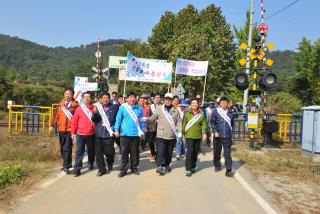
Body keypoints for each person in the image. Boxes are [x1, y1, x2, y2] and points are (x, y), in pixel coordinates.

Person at [146, 93, 182, 175]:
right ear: (164, 100)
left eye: (169, 99)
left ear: (172, 101)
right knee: (161, 151)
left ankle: (167, 165)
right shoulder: (159, 109)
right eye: (166, 99)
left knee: (169, 152)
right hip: (161, 135)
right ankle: (159, 166)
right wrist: (146, 119)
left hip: (171, 135)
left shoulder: (176, 111)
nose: (168, 101)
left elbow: (179, 122)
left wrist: (180, 132)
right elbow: (153, 118)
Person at [114, 92, 145, 178]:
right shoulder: (123, 107)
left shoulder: (139, 108)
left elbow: (142, 121)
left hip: (135, 135)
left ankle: (134, 168)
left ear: (136, 98)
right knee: (124, 153)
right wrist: (116, 130)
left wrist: (142, 132)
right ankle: (124, 170)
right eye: (130, 97)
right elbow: (118, 120)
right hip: (124, 134)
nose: (132, 99)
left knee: (135, 153)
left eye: (134, 97)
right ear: (127, 98)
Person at [50, 88, 78, 174]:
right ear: (64, 95)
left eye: (69, 94)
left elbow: (78, 118)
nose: (68, 95)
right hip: (61, 130)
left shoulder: (76, 106)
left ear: (72, 95)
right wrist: (52, 125)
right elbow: (56, 116)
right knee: (62, 149)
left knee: (67, 148)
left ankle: (65, 166)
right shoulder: (60, 105)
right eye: (66, 94)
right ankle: (68, 164)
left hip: (70, 130)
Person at [91, 92, 118, 176]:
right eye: (103, 98)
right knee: (98, 153)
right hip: (99, 133)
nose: (105, 99)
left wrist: (116, 129)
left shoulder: (114, 108)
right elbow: (94, 120)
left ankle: (110, 162)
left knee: (109, 152)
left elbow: (117, 119)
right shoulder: (98, 108)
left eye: (107, 97)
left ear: (109, 99)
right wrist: (95, 113)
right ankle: (101, 169)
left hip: (109, 133)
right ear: (100, 99)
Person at [71, 92, 96, 177]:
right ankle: (77, 169)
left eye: (88, 97)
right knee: (79, 152)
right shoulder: (79, 109)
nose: (87, 98)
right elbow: (74, 122)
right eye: (85, 97)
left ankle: (91, 163)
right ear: (83, 98)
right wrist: (73, 132)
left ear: (91, 98)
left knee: (91, 151)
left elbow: (98, 121)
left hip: (91, 134)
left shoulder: (94, 108)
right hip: (80, 134)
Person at [210, 97, 235, 177]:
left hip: (227, 136)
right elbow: (212, 123)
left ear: (227, 103)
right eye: (222, 102)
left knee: (227, 153)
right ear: (220, 103)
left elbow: (232, 124)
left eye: (225, 102)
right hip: (218, 136)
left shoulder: (230, 112)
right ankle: (217, 165)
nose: (224, 104)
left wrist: (231, 134)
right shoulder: (216, 111)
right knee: (217, 152)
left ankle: (228, 169)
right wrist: (215, 131)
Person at [182, 98, 207, 177]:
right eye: (193, 103)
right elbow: (184, 123)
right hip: (189, 135)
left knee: (195, 152)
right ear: (190, 104)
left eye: (196, 103)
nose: (194, 104)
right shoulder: (187, 113)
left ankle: (193, 166)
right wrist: (183, 134)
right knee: (190, 151)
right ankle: (188, 169)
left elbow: (204, 124)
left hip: (198, 135)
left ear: (198, 104)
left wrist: (204, 133)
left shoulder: (201, 114)